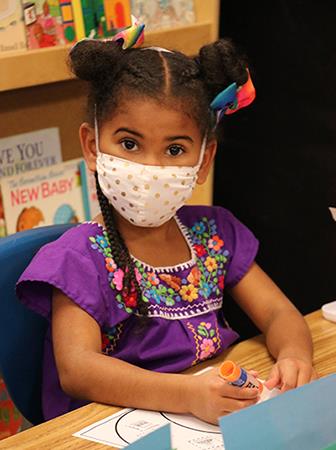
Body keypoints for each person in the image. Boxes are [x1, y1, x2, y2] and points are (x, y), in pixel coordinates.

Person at [16, 21, 317, 425]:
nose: (150, 167)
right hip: (113, 429)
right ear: (92, 146)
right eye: (129, 144)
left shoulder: (213, 234)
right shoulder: (77, 258)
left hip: (210, 420)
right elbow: (78, 370)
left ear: (204, 161)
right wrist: (188, 394)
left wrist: (295, 355)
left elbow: (280, 314)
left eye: (175, 149)